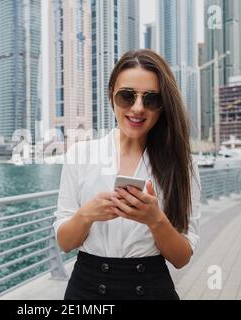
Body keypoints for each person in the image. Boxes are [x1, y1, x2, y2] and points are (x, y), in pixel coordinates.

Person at [53, 49, 201, 300]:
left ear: (163, 105)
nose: (138, 108)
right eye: (127, 96)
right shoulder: (81, 154)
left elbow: (181, 258)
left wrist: (155, 220)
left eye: (151, 99)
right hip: (85, 291)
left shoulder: (181, 164)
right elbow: (65, 243)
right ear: (112, 96)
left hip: (152, 289)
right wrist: (87, 214)